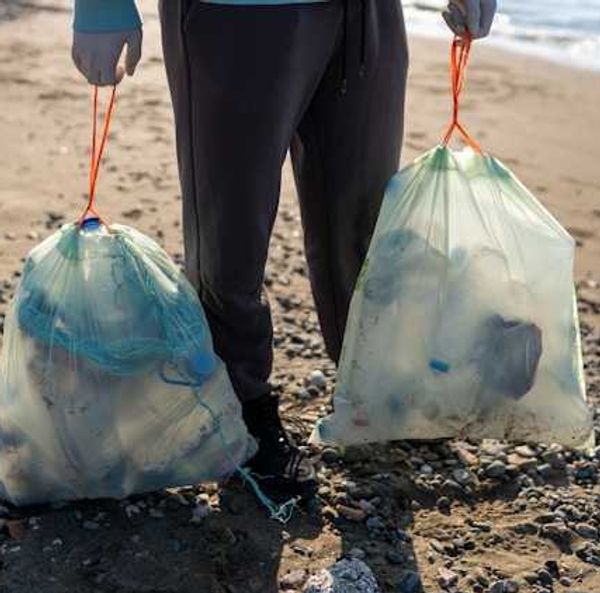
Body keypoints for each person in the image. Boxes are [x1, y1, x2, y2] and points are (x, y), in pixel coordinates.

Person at [70, 0, 497, 500]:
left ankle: (375, 384)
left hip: (367, 15)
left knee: (364, 218)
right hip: (237, 13)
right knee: (230, 228)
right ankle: (240, 409)